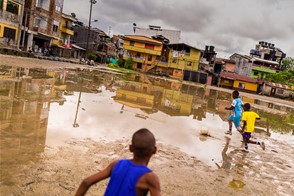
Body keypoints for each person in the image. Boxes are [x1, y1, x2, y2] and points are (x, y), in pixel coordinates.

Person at [75, 128, 161, 196]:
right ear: (154, 150)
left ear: (130, 148)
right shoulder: (150, 178)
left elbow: (87, 182)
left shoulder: (116, 164)